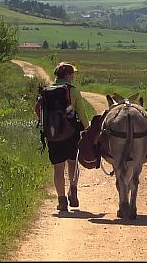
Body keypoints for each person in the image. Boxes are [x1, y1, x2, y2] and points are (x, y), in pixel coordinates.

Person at [34, 62, 90, 211]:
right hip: (71, 133)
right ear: (67, 75)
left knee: (58, 168)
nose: (74, 76)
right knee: (72, 163)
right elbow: (82, 114)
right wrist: (88, 130)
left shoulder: (47, 90)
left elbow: (37, 109)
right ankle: (73, 191)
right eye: (73, 74)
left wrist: (47, 124)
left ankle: (61, 201)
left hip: (53, 134)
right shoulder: (72, 90)